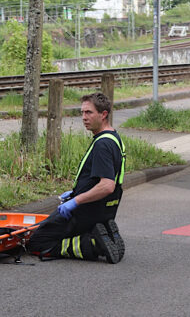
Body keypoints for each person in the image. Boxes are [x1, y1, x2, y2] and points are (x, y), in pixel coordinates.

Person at [27, 92, 127, 263]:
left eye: (89, 113)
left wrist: (76, 201)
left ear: (103, 115)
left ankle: (93, 243)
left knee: (37, 243)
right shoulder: (114, 138)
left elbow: (107, 185)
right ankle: (100, 233)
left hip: (86, 211)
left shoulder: (102, 144)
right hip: (104, 209)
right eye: (82, 112)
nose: (84, 117)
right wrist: (75, 191)